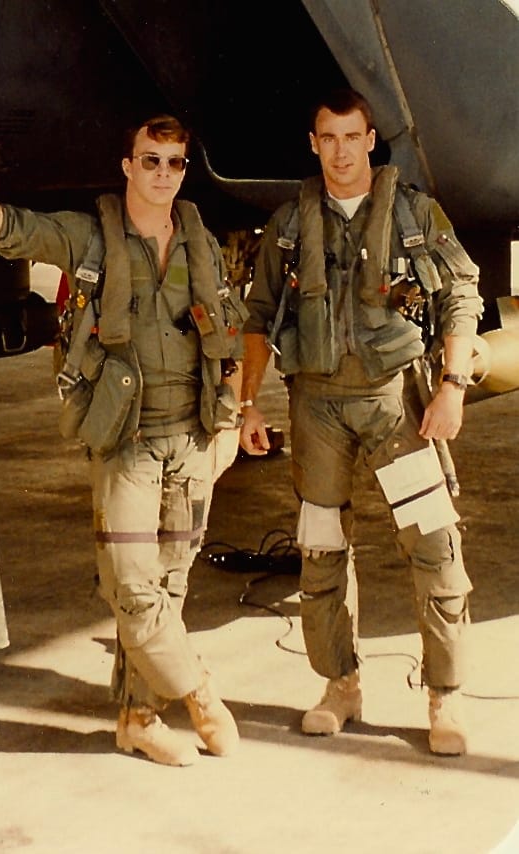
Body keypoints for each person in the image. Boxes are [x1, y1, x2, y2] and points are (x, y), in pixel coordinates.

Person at [0, 114, 246, 766]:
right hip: (127, 443)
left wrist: (233, 415)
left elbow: (228, 331)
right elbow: (14, 229)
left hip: (194, 439)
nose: (164, 175)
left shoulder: (199, 240)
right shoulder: (92, 237)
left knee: (171, 587)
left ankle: (139, 718)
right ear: (126, 165)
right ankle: (200, 695)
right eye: (151, 160)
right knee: (132, 588)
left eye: (175, 163)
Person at [239, 88, 482, 756]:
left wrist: (453, 387)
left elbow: (463, 293)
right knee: (320, 550)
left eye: (353, 137)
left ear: (371, 141)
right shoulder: (289, 226)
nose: (341, 152)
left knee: (432, 546)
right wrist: (248, 401)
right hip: (315, 407)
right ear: (312, 144)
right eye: (328, 139)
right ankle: (339, 685)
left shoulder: (413, 215)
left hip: (394, 405)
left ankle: (445, 695)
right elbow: (257, 317)